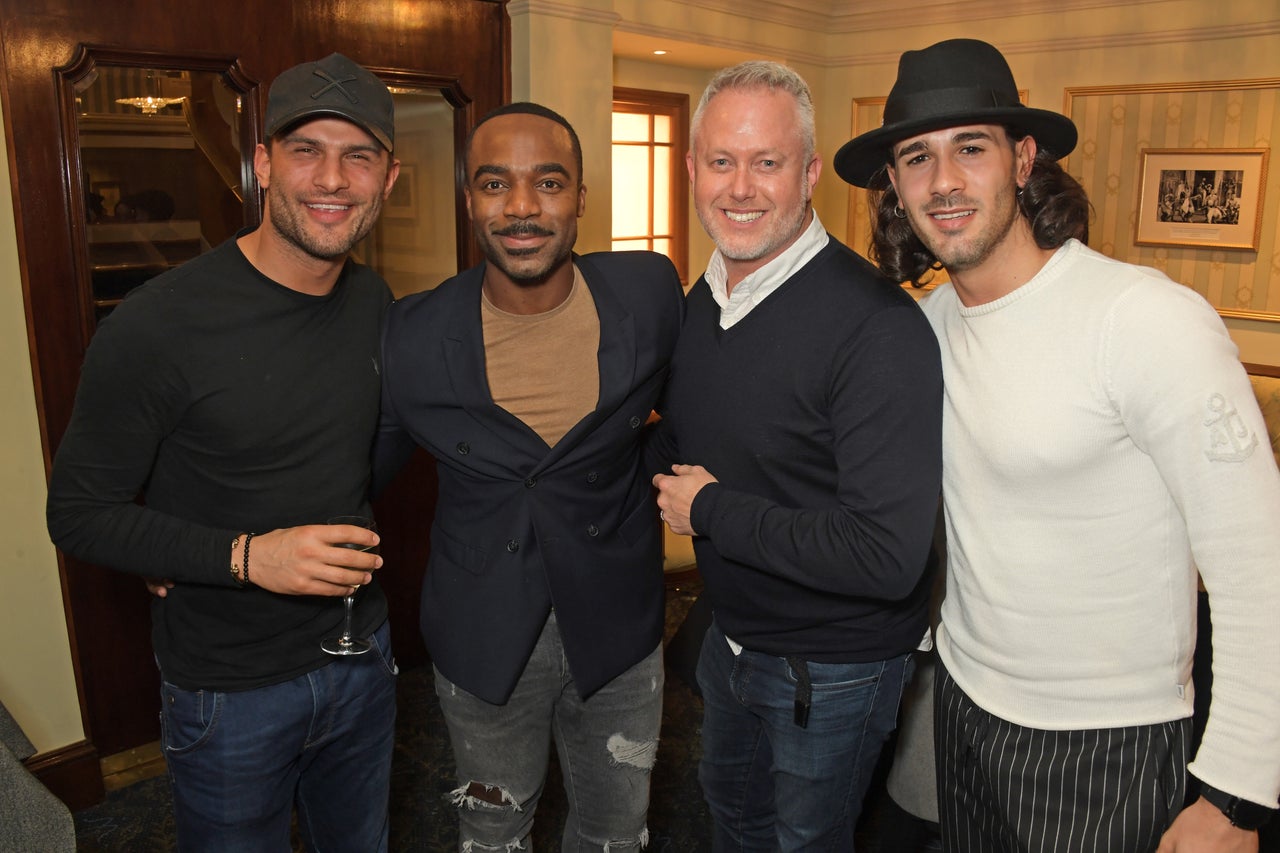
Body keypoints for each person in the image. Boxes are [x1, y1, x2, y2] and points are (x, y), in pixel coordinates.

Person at [836, 37, 1280, 853]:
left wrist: (1239, 794)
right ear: (893, 186)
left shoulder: (1144, 320)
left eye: (971, 147)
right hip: (964, 710)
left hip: (1104, 739)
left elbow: (1260, 562)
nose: (943, 181)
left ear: (1022, 157)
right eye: (916, 157)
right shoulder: (922, 331)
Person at [46, 53, 401, 851]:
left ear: (389, 176)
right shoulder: (157, 325)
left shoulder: (376, 305)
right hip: (230, 689)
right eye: (307, 149)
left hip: (360, 655)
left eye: (359, 156)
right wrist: (244, 554)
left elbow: (360, 455)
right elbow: (76, 512)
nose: (332, 179)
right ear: (264, 163)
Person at [649, 60, 944, 851]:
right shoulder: (704, 298)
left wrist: (711, 511)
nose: (740, 187)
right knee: (734, 821)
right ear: (693, 168)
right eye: (722, 161)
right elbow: (683, 441)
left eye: (767, 162)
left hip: (834, 667)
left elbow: (887, 556)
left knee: (808, 841)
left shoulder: (877, 327)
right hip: (732, 639)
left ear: (809, 172)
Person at [374, 102, 683, 852]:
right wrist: (224, 541)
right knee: (492, 830)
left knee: (615, 831)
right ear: (468, 196)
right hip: (481, 637)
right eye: (494, 183)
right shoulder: (412, 334)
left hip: (620, 627)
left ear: (582, 196)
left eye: (548, 183)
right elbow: (355, 468)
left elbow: (704, 411)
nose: (520, 208)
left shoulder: (649, 294)